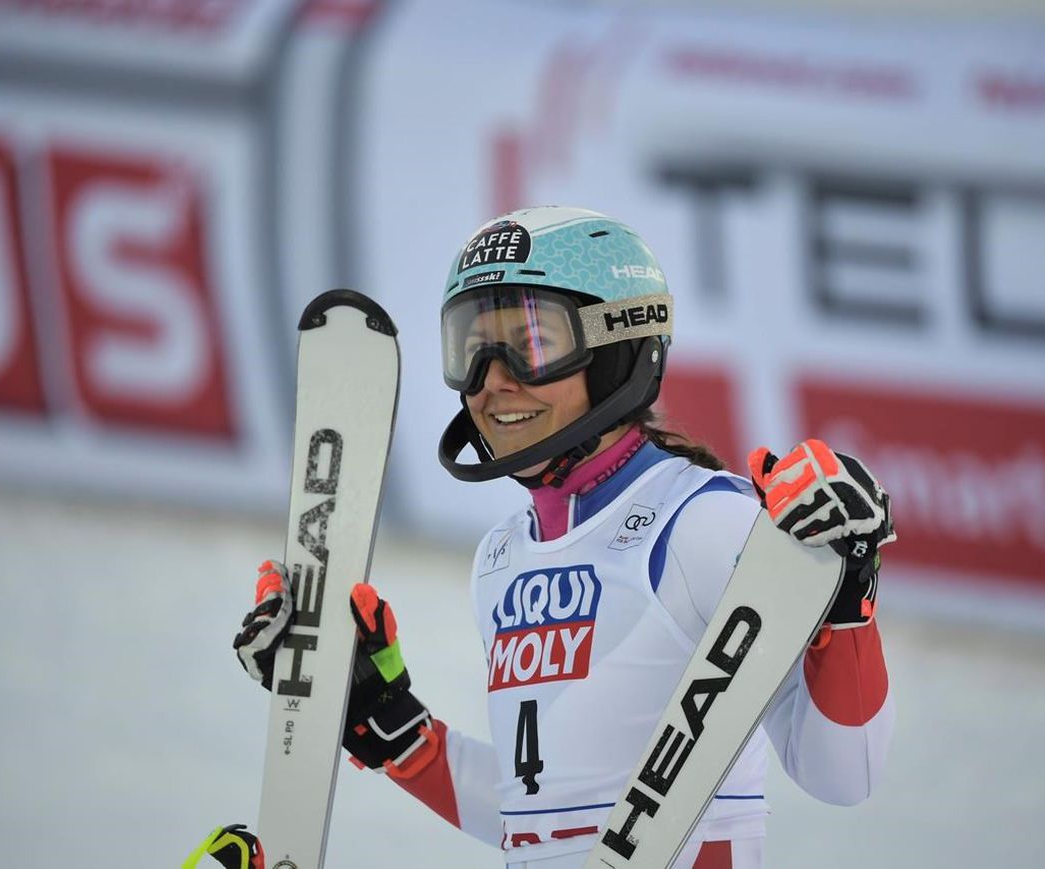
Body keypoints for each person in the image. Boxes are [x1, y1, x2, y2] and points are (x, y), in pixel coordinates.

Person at [230, 206, 896, 868]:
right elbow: (542, 819)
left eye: (531, 342)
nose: (493, 380)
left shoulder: (700, 522)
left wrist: (846, 601)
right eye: (471, 347)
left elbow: (845, 773)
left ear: (616, 350)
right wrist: (397, 730)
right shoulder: (500, 559)